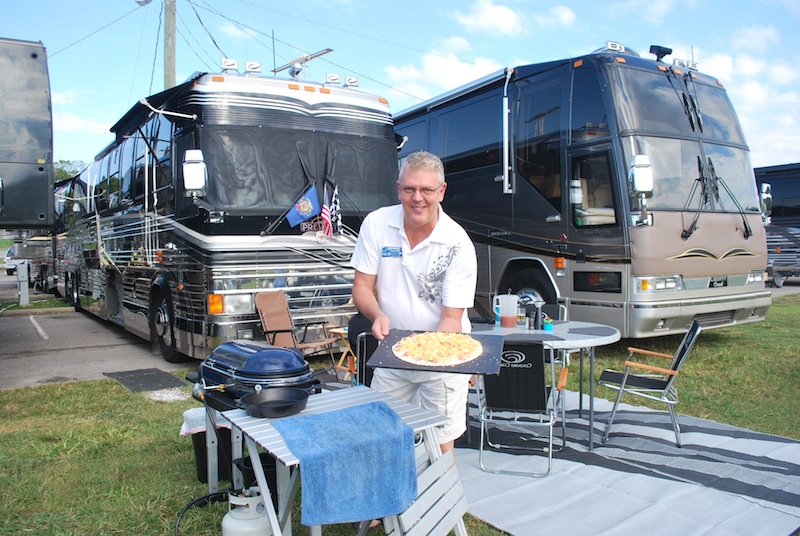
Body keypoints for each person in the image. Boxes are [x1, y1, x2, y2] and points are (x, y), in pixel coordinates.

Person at [350, 150, 477, 456]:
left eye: (426, 190)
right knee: (382, 433)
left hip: (443, 354)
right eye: (409, 189)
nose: (417, 198)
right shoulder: (377, 224)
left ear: (441, 192)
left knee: (440, 443)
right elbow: (362, 287)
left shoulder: (457, 244)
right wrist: (377, 314)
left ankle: (445, 503)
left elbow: (451, 319)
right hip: (393, 350)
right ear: (399, 188)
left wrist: (425, 352)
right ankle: (392, 502)